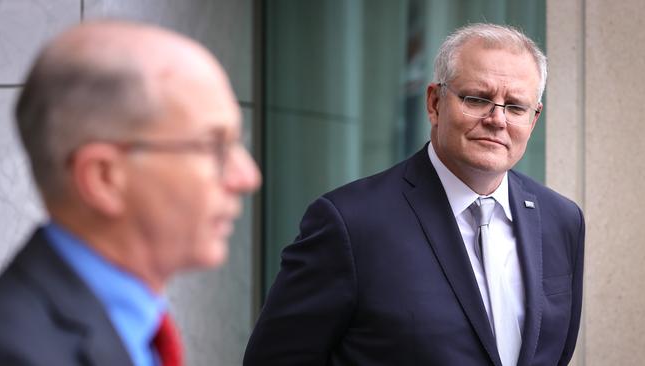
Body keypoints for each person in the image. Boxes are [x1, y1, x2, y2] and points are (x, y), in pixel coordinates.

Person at [244, 23, 584, 366]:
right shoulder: (350, 223)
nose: (497, 119)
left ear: (534, 118)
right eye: (477, 99)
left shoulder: (561, 221)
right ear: (435, 103)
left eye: (515, 106)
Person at [0, 20, 261, 366]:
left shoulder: (133, 327)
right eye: (213, 146)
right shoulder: (19, 351)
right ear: (104, 177)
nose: (247, 177)